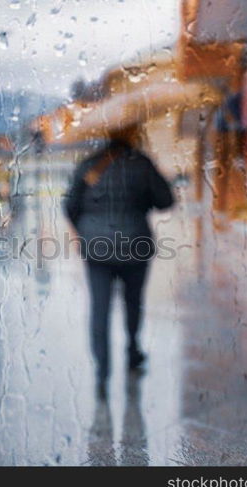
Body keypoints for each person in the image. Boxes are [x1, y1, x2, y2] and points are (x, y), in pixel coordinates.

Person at [64, 126, 174, 397]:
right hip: (135, 244)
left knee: (99, 307)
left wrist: (84, 231)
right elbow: (166, 201)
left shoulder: (89, 164)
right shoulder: (143, 163)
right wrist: (142, 199)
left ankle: (102, 370)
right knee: (133, 301)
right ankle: (133, 351)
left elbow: (70, 205)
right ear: (132, 135)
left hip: (97, 248)